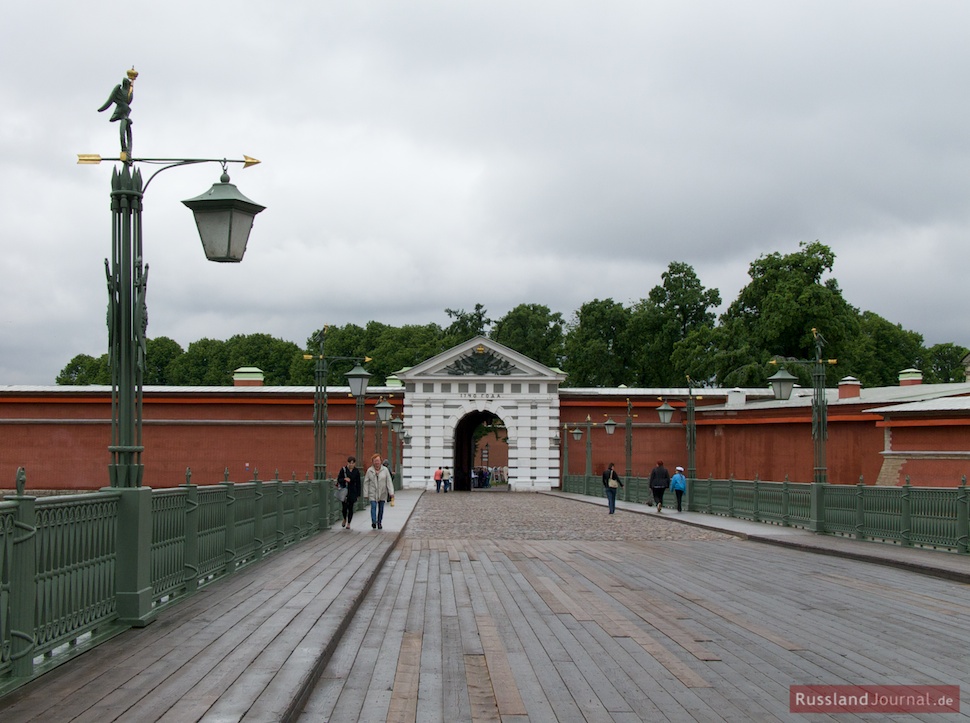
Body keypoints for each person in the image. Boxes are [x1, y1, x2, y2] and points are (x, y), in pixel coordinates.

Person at [363, 453, 395, 529]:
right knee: (373, 506)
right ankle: (374, 522)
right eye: (375, 461)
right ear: (373, 462)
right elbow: (366, 482)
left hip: (382, 492)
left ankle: (379, 522)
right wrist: (365, 493)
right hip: (372, 492)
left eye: (378, 460)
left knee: (381, 508)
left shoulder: (385, 470)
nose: (377, 462)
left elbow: (389, 482)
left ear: (381, 461)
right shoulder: (369, 470)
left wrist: (391, 493)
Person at [336, 456, 361, 529]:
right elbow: (339, 479)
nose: (351, 464)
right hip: (344, 491)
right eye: (350, 463)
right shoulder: (343, 470)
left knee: (350, 507)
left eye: (353, 463)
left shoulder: (356, 471)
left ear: (355, 463)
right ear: (348, 463)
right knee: (344, 507)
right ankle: (344, 518)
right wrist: (344, 479)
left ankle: (349, 523)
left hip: (352, 491)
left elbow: (358, 483)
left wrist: (358, 494)